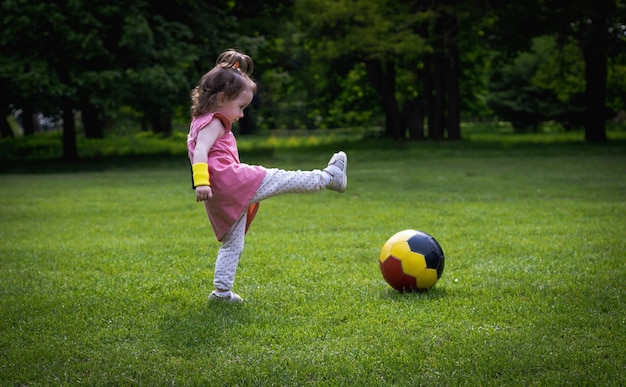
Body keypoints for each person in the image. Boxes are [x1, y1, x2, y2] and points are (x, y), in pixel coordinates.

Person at [187, 49, 348, 303]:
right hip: (233, 181)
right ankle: (329, 177)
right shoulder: (214, 122)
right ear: (220, 99)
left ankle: (221, 292)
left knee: (233, 244)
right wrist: (201, 182)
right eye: (240, 107)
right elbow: (201, 152)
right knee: (282, 178)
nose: (241, 114)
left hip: (220, 193)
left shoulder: (199, 120)